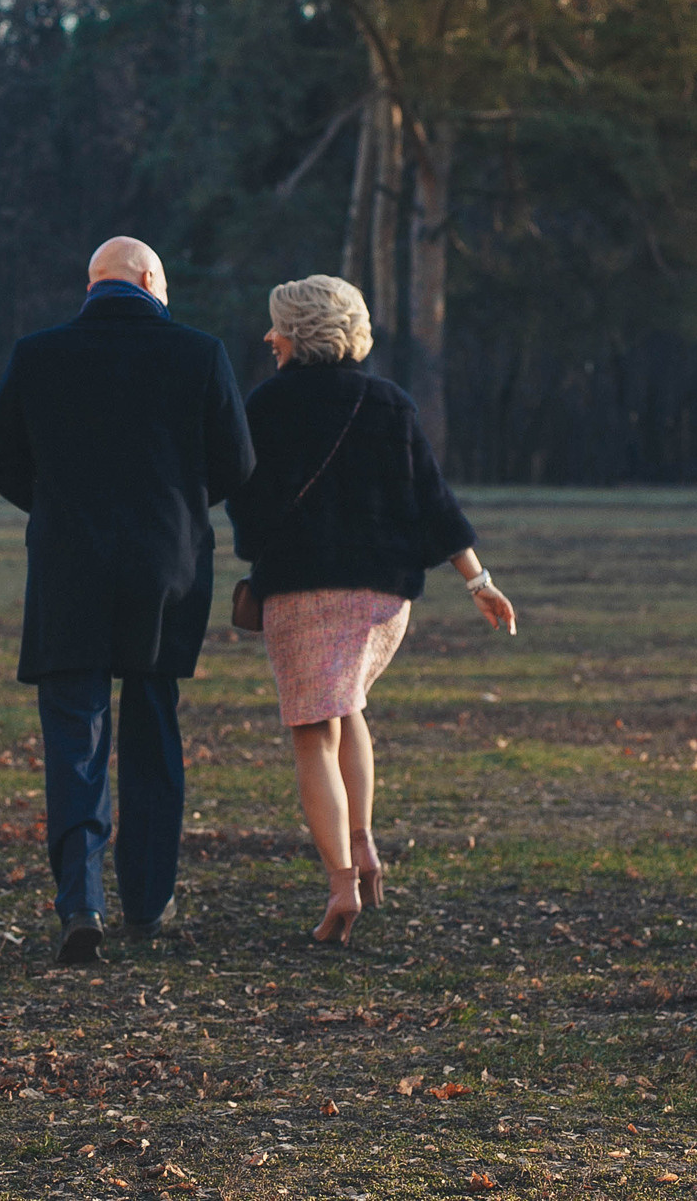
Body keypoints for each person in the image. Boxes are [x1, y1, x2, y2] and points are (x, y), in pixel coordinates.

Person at [0, 237, 255, 964]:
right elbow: (238, 461)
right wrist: (180, 507)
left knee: (76, 735)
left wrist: (55, 504)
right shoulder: (200, 354)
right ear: (150, 281)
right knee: (153, 725)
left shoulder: (38, 353)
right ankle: (147, 897)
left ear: (94, 284)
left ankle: (81, 898)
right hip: (166, 567)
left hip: (69, 566)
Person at [227, 275, 517, 945]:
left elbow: (246, 505)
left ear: (298, 334)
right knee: (348, 706)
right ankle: (362, 842)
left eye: (277, 326)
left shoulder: (264, 406)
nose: (268, 337)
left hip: (304, 593)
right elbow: (433, 500)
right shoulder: (391, 402)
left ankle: (341, 885)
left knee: (312, 733)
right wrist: (479, 582)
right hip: (383, 600)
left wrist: (262, 544)